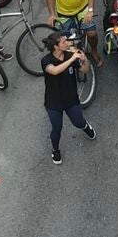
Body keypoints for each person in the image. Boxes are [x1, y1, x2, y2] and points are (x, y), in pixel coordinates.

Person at [42, 29, 96, 165]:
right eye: (64, 41)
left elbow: (85, 70)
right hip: (53, 102)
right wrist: (72, 59)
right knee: (57, 128)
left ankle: (85, 126)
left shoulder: (69, 55)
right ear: (56, 46)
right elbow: (54, 71)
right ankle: (55, 150)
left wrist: (84, 60)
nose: (67, 43)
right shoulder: (46, 60)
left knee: (78, 122)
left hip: (71, 99)